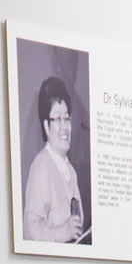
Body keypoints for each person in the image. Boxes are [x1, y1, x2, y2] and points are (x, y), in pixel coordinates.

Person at [22, 75, 87, 244]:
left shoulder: (71, 171)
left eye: (67, 118)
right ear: (46, 126)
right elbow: (30, 229)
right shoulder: (42, 165)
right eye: (58, 118)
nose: (65, 126)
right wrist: (61, 232)